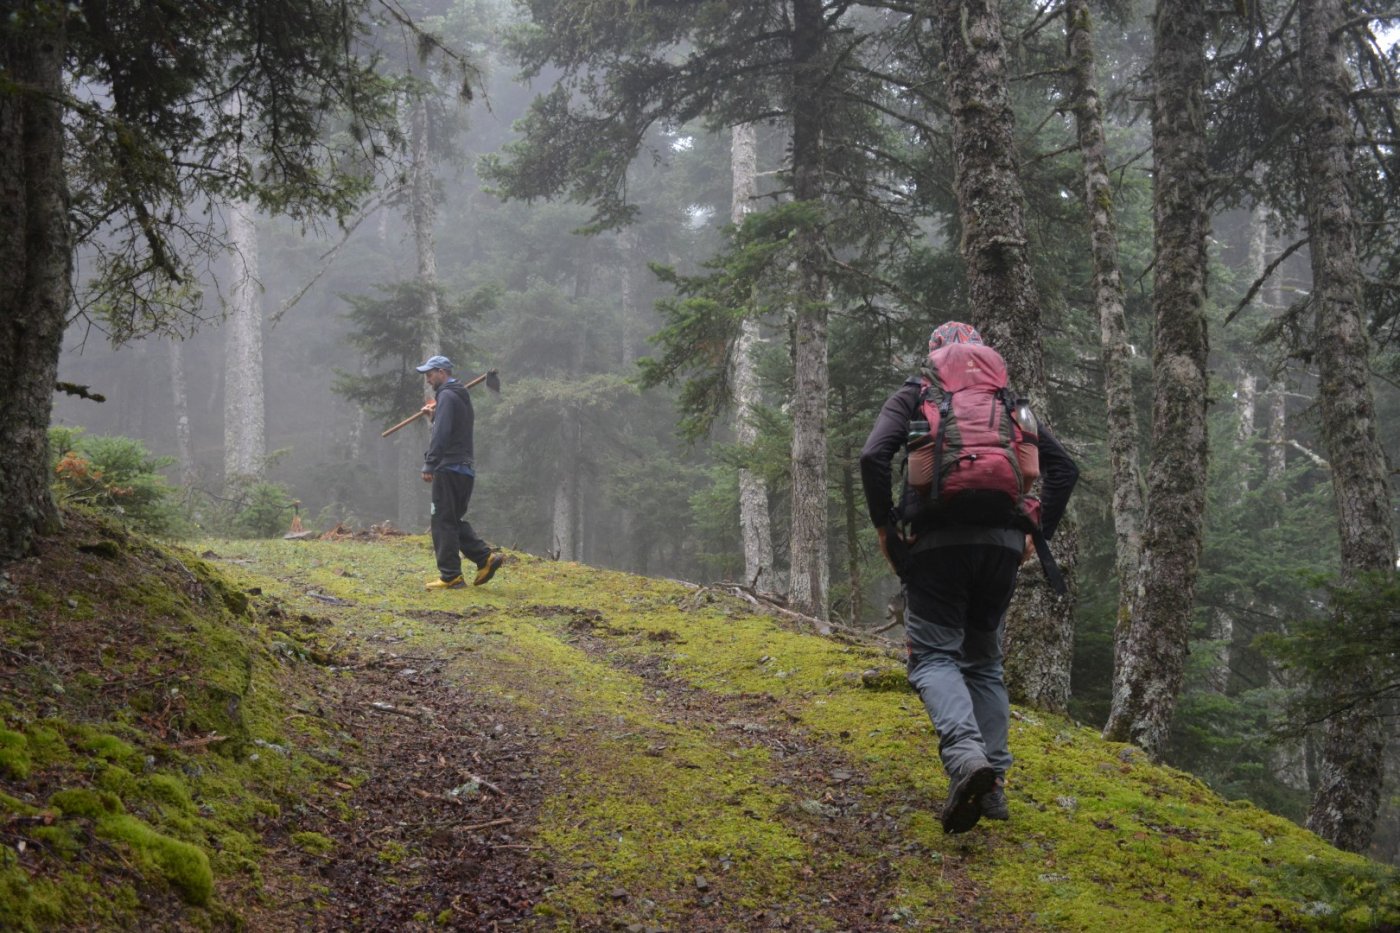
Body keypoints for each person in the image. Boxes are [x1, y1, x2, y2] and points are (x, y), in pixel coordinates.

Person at [859, 322, 1078, 833]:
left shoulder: (917, 393)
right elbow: (1063, 469)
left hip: (937, 544)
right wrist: (1033, 528)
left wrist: (885, 527)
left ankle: (966, 759)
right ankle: (994, 782)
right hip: (1002, 546)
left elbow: (873, 456)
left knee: (934, 655)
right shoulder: (1007, 400)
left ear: (934, 357)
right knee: (983, 663)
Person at [416, 355, 504, 590]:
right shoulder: (459, 396)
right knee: (453, 519)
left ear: (442, 372)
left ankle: (451, 576)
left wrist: (430, 463)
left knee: (442, 520)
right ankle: (484, 558)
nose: (427, 379)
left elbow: (443, 433)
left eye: (430, 373)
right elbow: (451, 427)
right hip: (465, 469)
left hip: (449, 467)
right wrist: (434, 416)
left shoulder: (446, 395)